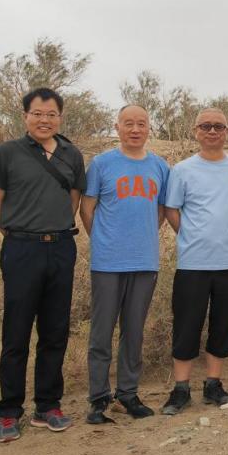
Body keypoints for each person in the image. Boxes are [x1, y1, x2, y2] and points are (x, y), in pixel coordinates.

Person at [0, 87, 86, 442]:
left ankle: (48, 405)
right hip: (21, 249)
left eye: (51, 114)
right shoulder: (7, 152)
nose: (45, 120)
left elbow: (73, 197)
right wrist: (16, 232)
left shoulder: (72, 154)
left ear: (60, 117)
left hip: (60, 247)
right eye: (38, 113)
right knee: (16, 332)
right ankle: (9, 411)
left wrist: (53, 227)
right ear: (25, 116)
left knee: (55, 330)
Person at [79, 104, 168, 424]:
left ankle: (128, 394)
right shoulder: (102, 164)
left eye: (141, 123)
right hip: (107, 262)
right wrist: (104, 239)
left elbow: (161, 210)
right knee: (101, 332)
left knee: (134, 331)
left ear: (149, 128)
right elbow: (87, 208)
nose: (135, 129)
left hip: (144, 261)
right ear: (117, 127)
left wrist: (141, 237)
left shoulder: (160, 166)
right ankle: (99, 398)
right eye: (128, 123)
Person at [161, 108, 228, 415]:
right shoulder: (182, 169)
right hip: (193, 262)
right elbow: (171, 208)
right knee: (186, 325)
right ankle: (181, 389)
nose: (212, 131)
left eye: (218, 126)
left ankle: (213, 385)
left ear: (227, 132)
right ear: (195, 131)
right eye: (205, 126)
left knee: (223, 324)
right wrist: (189, 235)